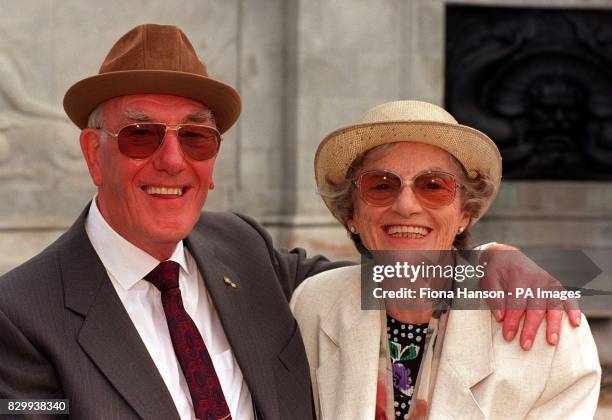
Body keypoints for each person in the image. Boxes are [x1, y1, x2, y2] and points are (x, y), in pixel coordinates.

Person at [0, 25, 582, 420]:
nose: (171, 161)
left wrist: (491, 257)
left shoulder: (241, 250)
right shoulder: (22, 313)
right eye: (141, 134)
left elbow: (399, 273)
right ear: (92, 153)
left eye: (196, 137)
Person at [290, 100, 601, 419]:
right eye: (381, 185)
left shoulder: (545, 323)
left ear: (464, 213)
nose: (406, 205)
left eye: (434, 186)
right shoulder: (313, 306)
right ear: (351, 212)